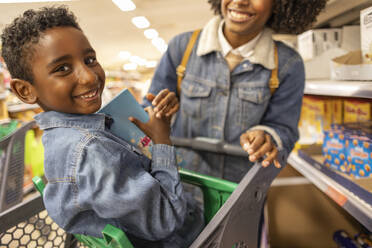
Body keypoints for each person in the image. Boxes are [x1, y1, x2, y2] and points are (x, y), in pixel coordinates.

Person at [1, 6, 203, 248]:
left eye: (90, 60)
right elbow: (164, 220)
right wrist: (162, 141)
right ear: (25, 90)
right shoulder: (91, 150)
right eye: (62, 68)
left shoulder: (60, 140)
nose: (89, 77)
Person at [144, 0, 327, 182]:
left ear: (279, 4)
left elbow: (284, 128)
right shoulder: (182, 48)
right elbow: (145, 113)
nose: (240, 1)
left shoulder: (288, 63)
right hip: (179, 185)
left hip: (240, 192)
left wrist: (267, 136)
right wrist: (159, 114)